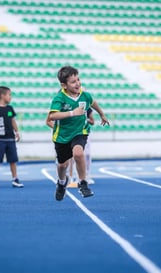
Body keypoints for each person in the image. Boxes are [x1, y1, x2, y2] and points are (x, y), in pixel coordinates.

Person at [47, 65, 109, 201]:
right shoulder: (60, 98)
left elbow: (93, 102)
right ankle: (62, 182)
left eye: (78, 79)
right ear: (64, 85)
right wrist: (72, 113)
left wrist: (102, 115)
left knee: (78, 153)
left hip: (80, 131)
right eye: (73, 82)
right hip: (62, 136)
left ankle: (83, 183)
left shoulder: (84, 95)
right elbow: (52, 116)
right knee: (63, 165)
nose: (78, 83)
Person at [0, 86, 23, 188]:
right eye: (9, 95)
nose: (10, 97)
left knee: (12, 160)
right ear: (2, 96)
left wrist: (16, 131)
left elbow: (12, 120)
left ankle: (15, 178)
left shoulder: (9, 109)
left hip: (10, 139)